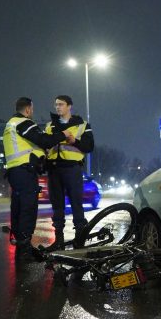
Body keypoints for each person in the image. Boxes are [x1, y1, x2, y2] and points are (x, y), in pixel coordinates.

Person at [3, 97, 73, 261]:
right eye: (32, 110)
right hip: (24, 172)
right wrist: (63, 134)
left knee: (19, 208)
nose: (32, 113)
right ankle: (25, 249)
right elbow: (43, 140)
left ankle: (22, 245)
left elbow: (30, 145)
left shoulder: (10, 124)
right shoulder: (23, 122)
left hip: (15, 171)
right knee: (28, 208)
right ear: (28, 109)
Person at [44, 95, 94, 250]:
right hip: (54, 168)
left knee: (76, 204)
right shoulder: (50, 125)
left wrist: (75, 142)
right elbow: (45, 145)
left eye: (61, 104)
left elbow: (89, 146)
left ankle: (80, 240)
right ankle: (59, 240)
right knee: (57, 205)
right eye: (56, 104)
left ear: (69, 106)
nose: (57, 107)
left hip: (72, 168)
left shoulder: (82, 125)